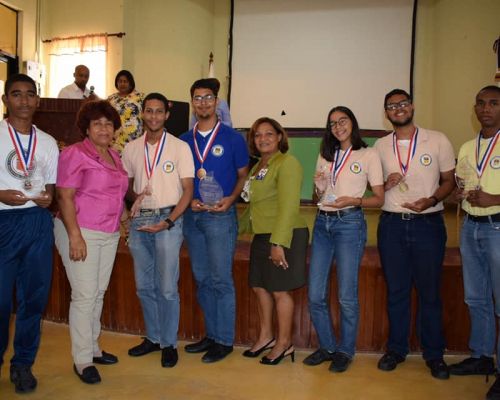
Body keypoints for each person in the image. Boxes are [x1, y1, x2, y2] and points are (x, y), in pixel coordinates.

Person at [373, 89, 455, 379]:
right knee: (396, 292)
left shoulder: (438, 139)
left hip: (428, 224)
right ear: (386, 113)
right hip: (392, 225)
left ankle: (434, 355)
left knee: (430, 293)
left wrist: (431, 201)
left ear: (412, 106)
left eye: (403, 103)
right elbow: (373, 188)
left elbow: (449, 181)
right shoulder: (380, 146)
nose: (398, 109)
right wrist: (385, 181)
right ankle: (396, 349)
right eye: (392, 106)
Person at [303, 106, 384, 372]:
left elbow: (379, 199)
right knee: (315, 294)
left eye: (343, 121)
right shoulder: (326, 155)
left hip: (349, 223)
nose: (338, 127)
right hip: (322, 223)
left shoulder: (368, 154)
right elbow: (317, 197)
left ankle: (345, 351)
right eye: (332, 123)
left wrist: (355, 200)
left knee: (347, 296)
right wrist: (318, 188)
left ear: (352, 123)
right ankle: (327, 346)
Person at [54, 100, 128, 384]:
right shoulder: (74, 154)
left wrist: (125, 219)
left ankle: (94, 348)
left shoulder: (114, 156)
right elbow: (65, 196)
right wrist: (75, 236)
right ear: (86, 128)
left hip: (108, 233)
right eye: (97, 123)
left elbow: (116, 195)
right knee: (84, 296)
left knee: (98, 293)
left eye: (109, 124)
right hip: (80, 230)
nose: (104, 128)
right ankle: (82, 359)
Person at [123, 93, 194, 368]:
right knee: (143, 286)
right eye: (148, 111)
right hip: (140, 220)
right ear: (143, 114)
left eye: (158, 112)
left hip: (168, 218)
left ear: (166, 115)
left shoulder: (179, 148)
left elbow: (188, 191)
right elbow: (126, 187)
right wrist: (134, 196)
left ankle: (169, 343)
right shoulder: (131, 148)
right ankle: (153, 337)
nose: (153, 116)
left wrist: (169, 221)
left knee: (166, 288)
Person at [181, 78, 249, 363]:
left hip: (221, 217)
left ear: (217, 102)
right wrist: (189, 201)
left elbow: (243, 174)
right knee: (203, 279)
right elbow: (180, 179)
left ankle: (223, 340)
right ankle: (211, 335)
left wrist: (231, 200)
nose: (203, 103)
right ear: (193, 103)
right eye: (198, 98)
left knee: (221, 279)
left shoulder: (233, 138)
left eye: (209, 97)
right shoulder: (184, 140)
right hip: (193, 217)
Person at [0, 73, 59, 393]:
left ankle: (22, 364)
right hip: (3, 222)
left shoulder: (47, 142)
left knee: (33, 301)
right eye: (16, 94)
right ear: (5, 99)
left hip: (37, 223)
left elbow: (49, 188)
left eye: (29, 94)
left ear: (38, 100)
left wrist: (49, 199)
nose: (24, 100)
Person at [239, 117, 308, 365]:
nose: (263, 139)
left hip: (285, 235)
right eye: (258, 135)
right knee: (259, 286)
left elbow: (289, 206)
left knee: (280, 290)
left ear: (280, 136)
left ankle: (284, 343)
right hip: (262, 234)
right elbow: (255, 203)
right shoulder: (259, 166)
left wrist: (278, 243)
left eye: (269, 134)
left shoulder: (287, 163)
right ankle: (266, 336)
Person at [449, 85, 500, 400]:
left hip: (497, 227)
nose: (486, 109)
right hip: (470, 227)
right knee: (476, 298)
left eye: (494, 103)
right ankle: (482, 356)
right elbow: (462, 183)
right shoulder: (468, 147)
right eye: (480, 103)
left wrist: (493, 198)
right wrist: (458, 195)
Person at [107, 70, 145, 153]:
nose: (122, 84)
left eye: (125, 81)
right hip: (116, 141)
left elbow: (145, 115)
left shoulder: (140, 97)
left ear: (130, 83)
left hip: (135, 140)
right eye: (120, 81)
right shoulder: (111, 99)